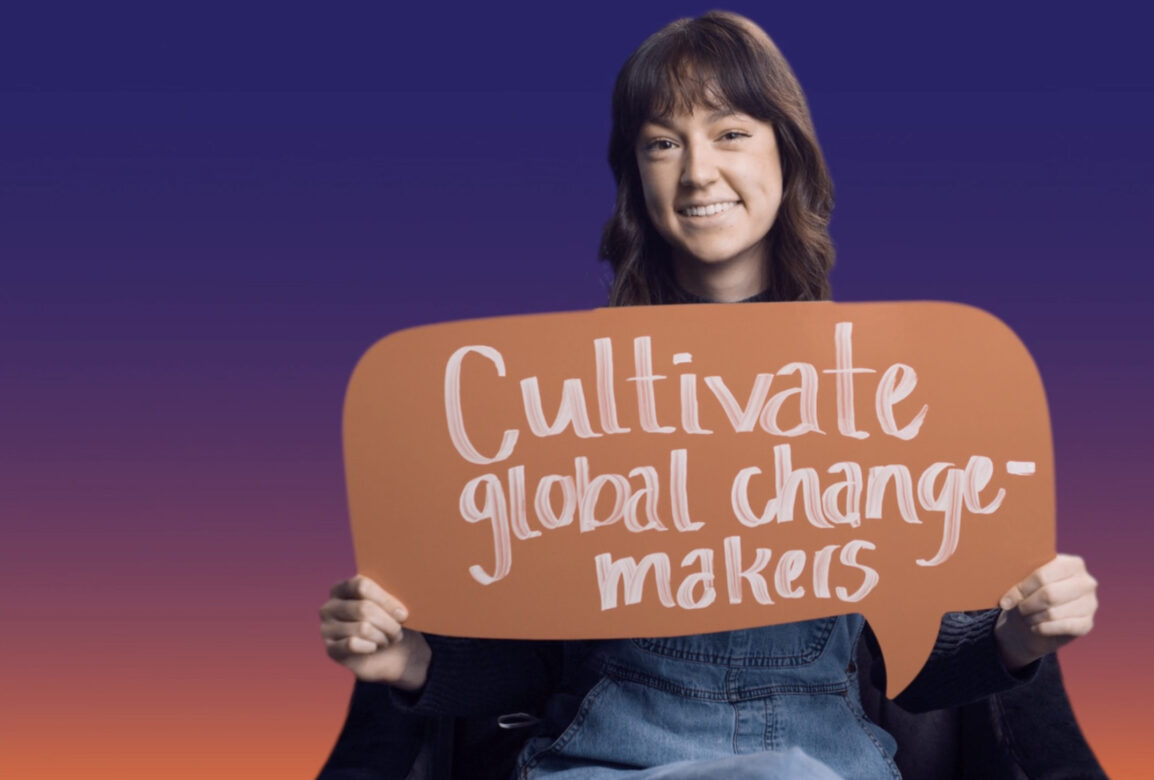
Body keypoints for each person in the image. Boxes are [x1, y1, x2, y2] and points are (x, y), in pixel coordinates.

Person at [318, 12, 1099, 779]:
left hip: (822, 761)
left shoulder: (882, 393)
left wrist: (1018, 640)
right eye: (663, 143)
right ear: (638, 179)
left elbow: (922, 673)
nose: (696, 171)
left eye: (730, 132)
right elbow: (524, 662)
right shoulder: (562, 390)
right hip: (606, 760)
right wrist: (410, 660)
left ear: (786, 155)